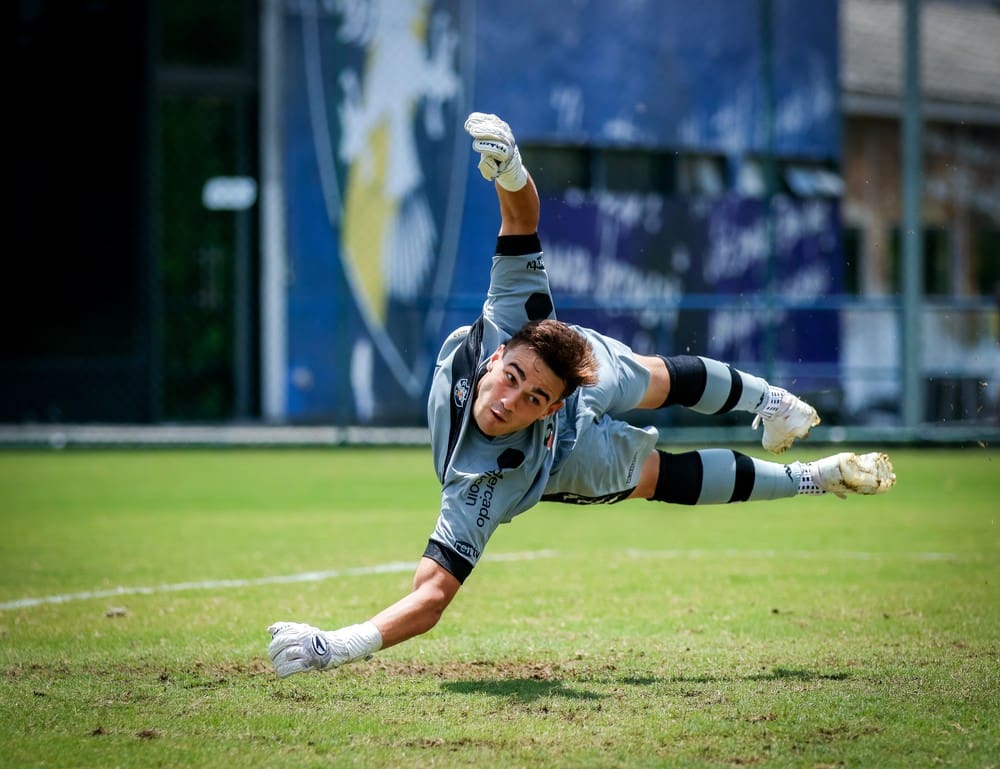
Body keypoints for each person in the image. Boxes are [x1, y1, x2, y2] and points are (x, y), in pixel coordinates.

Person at [267, 112, 896, 678]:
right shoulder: (489, 474)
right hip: (561, 459)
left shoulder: (539, 371)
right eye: (512, 380)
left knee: (658, 379)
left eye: (533, 396)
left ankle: (773, 404)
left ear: (552, 399)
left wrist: (511, 168)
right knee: (660, 476)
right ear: (497, 354)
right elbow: (431, 597)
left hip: (581, 366)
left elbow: (521, 213)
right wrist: (337, 645)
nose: (511, 400)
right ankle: (814, 478)